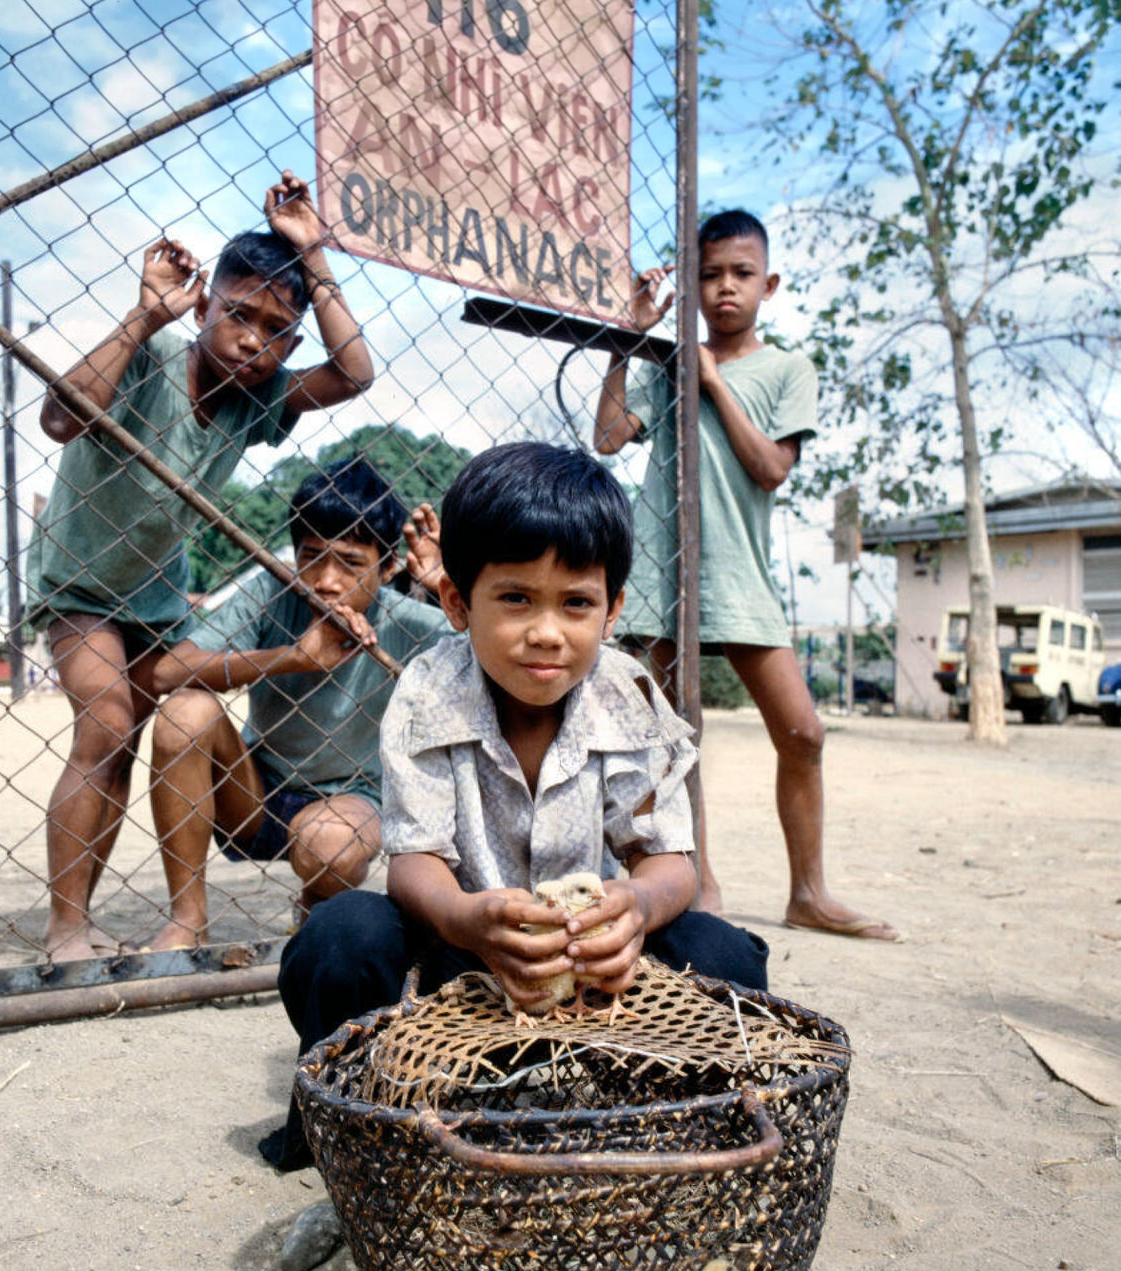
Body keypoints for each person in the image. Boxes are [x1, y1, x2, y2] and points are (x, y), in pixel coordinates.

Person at [261, 442, 770, 1171]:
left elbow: (668, 861)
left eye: (576, 603)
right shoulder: (428, 691)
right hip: (455, 962)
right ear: (457, 602)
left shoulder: (627, 694)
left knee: (722, 953)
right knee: (342, 935)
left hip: (593, 971)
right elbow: (415, 862)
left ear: (613, 608)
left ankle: (667, 1124)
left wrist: (632, 909)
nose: (546, 631)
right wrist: (468, 919)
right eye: (515, 599)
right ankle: (347, 1129)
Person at [27, 170, 374, 961]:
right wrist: (143, 315)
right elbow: (57, 417)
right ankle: (67, 926)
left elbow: (355, 373)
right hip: (78, 585)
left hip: (154, 599)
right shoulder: (148, 362)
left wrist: (314, 255)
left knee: (142, 728)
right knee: (107, 722)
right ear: (206, 304)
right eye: (239, 314)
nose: (253, 340)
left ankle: (163, 911)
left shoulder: (256, 405)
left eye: (275, 332)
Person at [592, 209, 897, 941]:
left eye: (741, 274)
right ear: (692, 284)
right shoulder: (663, 363)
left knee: (803, 731)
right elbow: (606, 438)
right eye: (709, 274)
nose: (725, 287)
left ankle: (809, 891)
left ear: (770, 282)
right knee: (670, 737)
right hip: (662, 569)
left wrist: (713, 382)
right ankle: (696, 879)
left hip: (739, 576)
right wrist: (630, 340)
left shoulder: (787, 368)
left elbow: (770, 469)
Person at [145, 458, 448, 950]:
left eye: (349, 562)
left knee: (330, 850)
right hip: (253, 792)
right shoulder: (271, 589)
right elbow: (166, 671)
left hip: (350, 797)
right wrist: (291, 658)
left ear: (388, 566)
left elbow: (495, 653)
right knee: (185, 712)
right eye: (311, 557)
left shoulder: (406, 619)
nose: (325, 580)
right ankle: (187, 918)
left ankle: (317, 905)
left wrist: (444, 588)